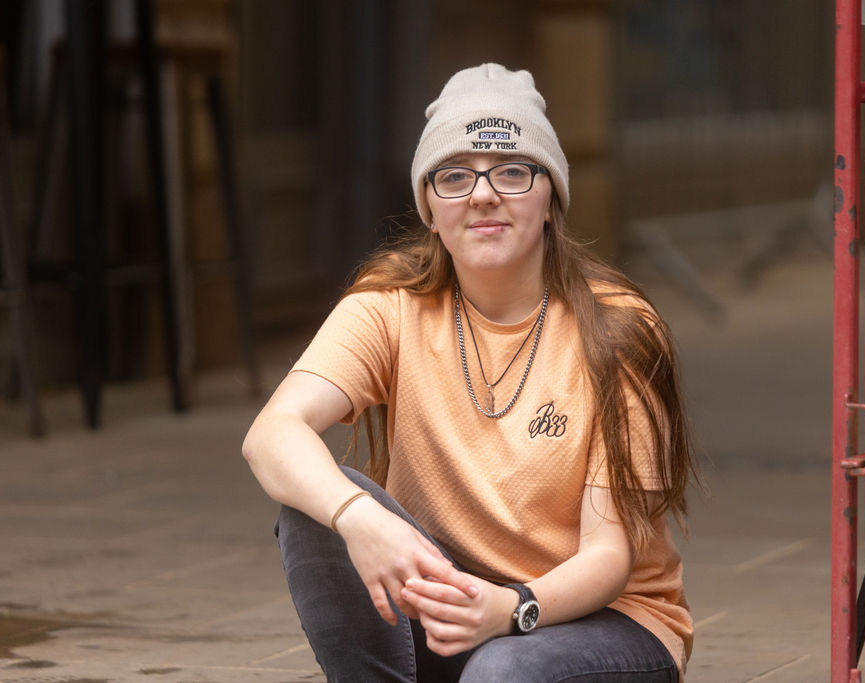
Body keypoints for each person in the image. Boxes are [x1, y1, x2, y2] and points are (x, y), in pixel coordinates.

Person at [242, 63, 699, 682]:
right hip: (450, 616)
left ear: (551, 198)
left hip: (599, 624)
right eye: (454, 176)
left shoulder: (618, 331)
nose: (483, 194)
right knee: (312, 506)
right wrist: (360, 517)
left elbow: (609, 556)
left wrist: (510, 609)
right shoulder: (389, 307)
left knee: (502, 671)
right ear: (430, 208)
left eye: (512, 171)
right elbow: (272, 434)